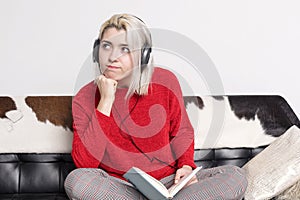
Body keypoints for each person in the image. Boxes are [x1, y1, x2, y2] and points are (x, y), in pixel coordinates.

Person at [64, 13, 247, 200]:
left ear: (143, 56)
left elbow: (182, 131)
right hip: (120, 188)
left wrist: (185, 166)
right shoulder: (84, 97)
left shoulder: (166, 81)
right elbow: (85, 163)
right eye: (107, 46)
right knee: (77, 181)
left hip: (168, 182)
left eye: (124, 49)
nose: (112, 57)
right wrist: (105, 102)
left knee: (235, 176)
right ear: (97, 51)